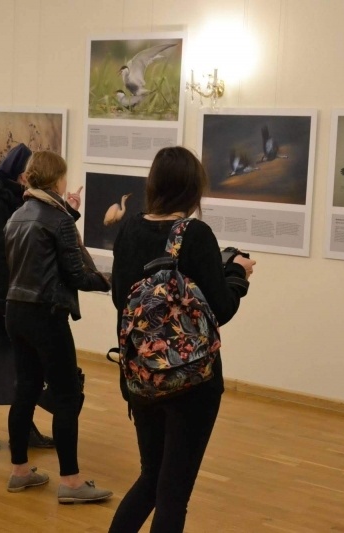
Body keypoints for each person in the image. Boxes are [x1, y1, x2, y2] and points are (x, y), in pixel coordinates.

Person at [108, 146, 255, 533]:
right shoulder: (195, 233)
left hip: (140, 375)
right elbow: (219, 308)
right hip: (193, 380)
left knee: (150, 480)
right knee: (174, 493)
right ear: (193, 188)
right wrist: (237, 275)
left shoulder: (128, 228)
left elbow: (120, 300)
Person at [3, 151, 113, 503]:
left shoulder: (17, 215)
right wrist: (114, 280)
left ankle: (20, 471)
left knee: (25, 390)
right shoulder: (57, 219)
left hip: (15, 310)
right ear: (57, 180)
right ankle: (71, 482)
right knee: (67, 395)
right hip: (45, 314)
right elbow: (78, 274)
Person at [0, 144, 54, 450]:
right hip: (0, 299)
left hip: (18, 297)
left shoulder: (17, 201)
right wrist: (0, 303)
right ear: (21, 175)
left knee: (23, 365)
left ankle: (24, 426)